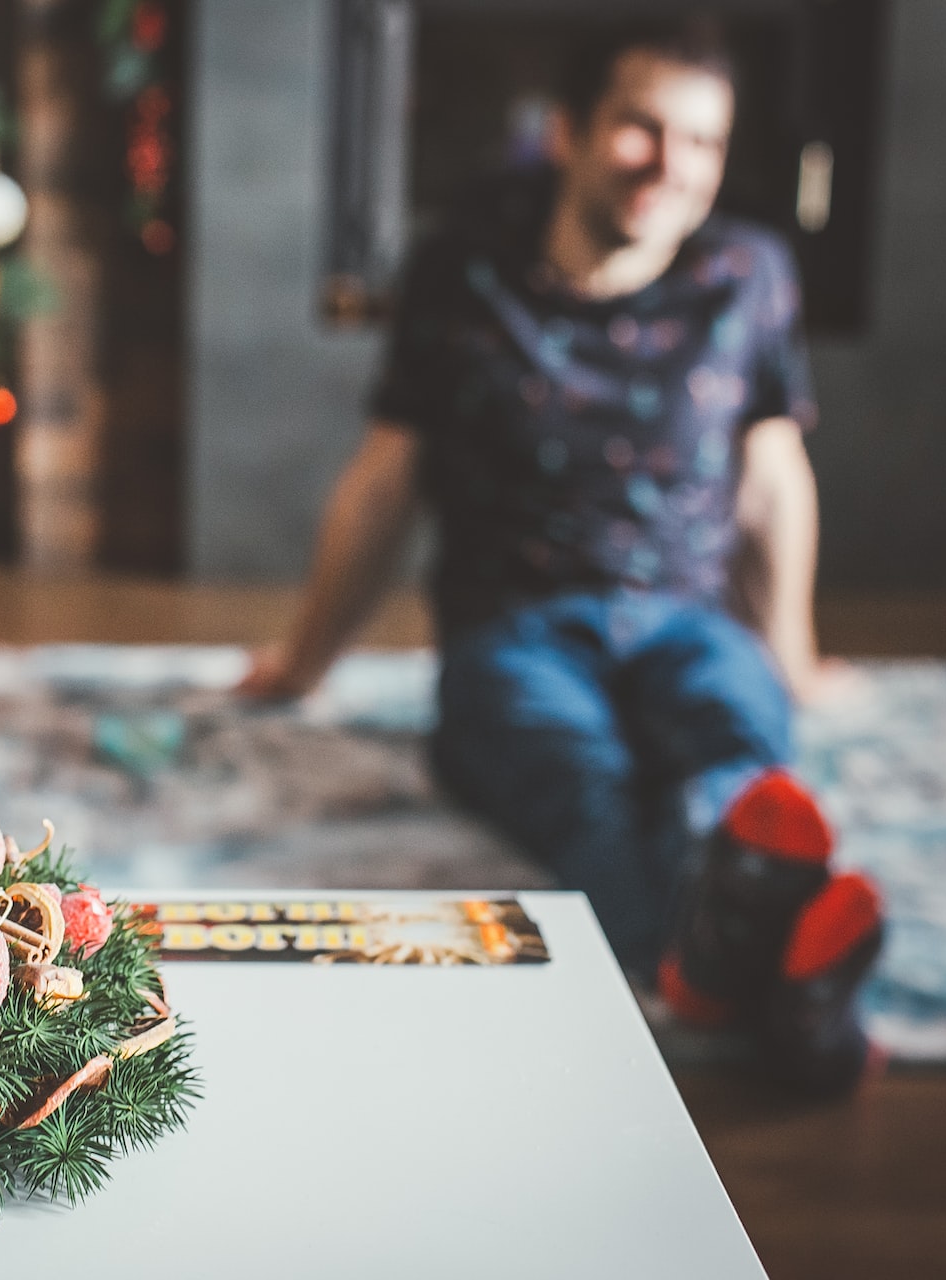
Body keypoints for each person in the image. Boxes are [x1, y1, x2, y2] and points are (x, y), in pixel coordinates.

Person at [240, 19, 884, 1095]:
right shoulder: (464, 263)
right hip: (516, 623)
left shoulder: (749, 272)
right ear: (570, 132)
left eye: (702, 142)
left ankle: (720, 971)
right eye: (640, 128)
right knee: (582, 784)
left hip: (687, 614)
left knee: (737, 762)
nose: (670, 167)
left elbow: (774, 482)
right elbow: (385, 479)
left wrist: (800, 656)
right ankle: (783, 988)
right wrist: (305, 660)